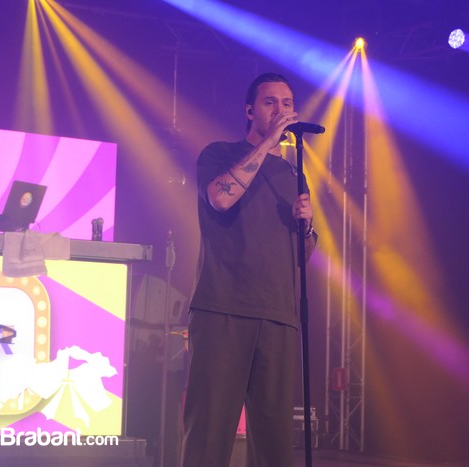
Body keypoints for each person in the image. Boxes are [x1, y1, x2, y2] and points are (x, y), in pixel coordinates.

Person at [180, 72, 318, 467]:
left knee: (274, 442)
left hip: (277, 315)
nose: (280, 110)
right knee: (209, 432)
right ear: (249, 111)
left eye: (287, 103)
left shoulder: (294, 175)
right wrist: (268, 143)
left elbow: (301, 256)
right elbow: (219, 199)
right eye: (270, 102)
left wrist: (306, 226)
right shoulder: (219, 154)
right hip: (223, 308)